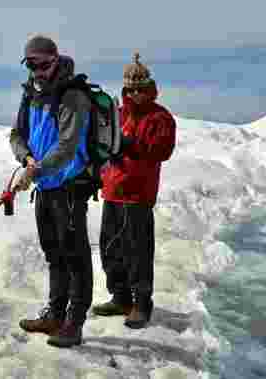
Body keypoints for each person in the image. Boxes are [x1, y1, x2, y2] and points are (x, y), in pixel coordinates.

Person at [9, 35, 94, 348]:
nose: (39, 71)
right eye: (32, 65)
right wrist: (26, 158)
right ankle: (55, 314)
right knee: (54, 254)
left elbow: (68, 146)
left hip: (69, 187)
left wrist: (35, 170)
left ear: (56, 60)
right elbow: (17, 134)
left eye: (44, 64)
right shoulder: (31, 93)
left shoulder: (72, 95)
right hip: (44, 185)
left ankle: (75, 322)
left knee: (76, 256)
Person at [92, 52, 176, 329]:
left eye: (140, 88)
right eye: (131, 89)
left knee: (137, 251)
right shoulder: (118, 114)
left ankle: (142, 303)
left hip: (138, 194)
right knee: (110, 247)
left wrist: (130, 145)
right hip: (113, 190)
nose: (136, 93)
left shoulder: (160, 118)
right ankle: (120, 297)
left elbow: (162, 151)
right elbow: (104, 143)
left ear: (149, 88)